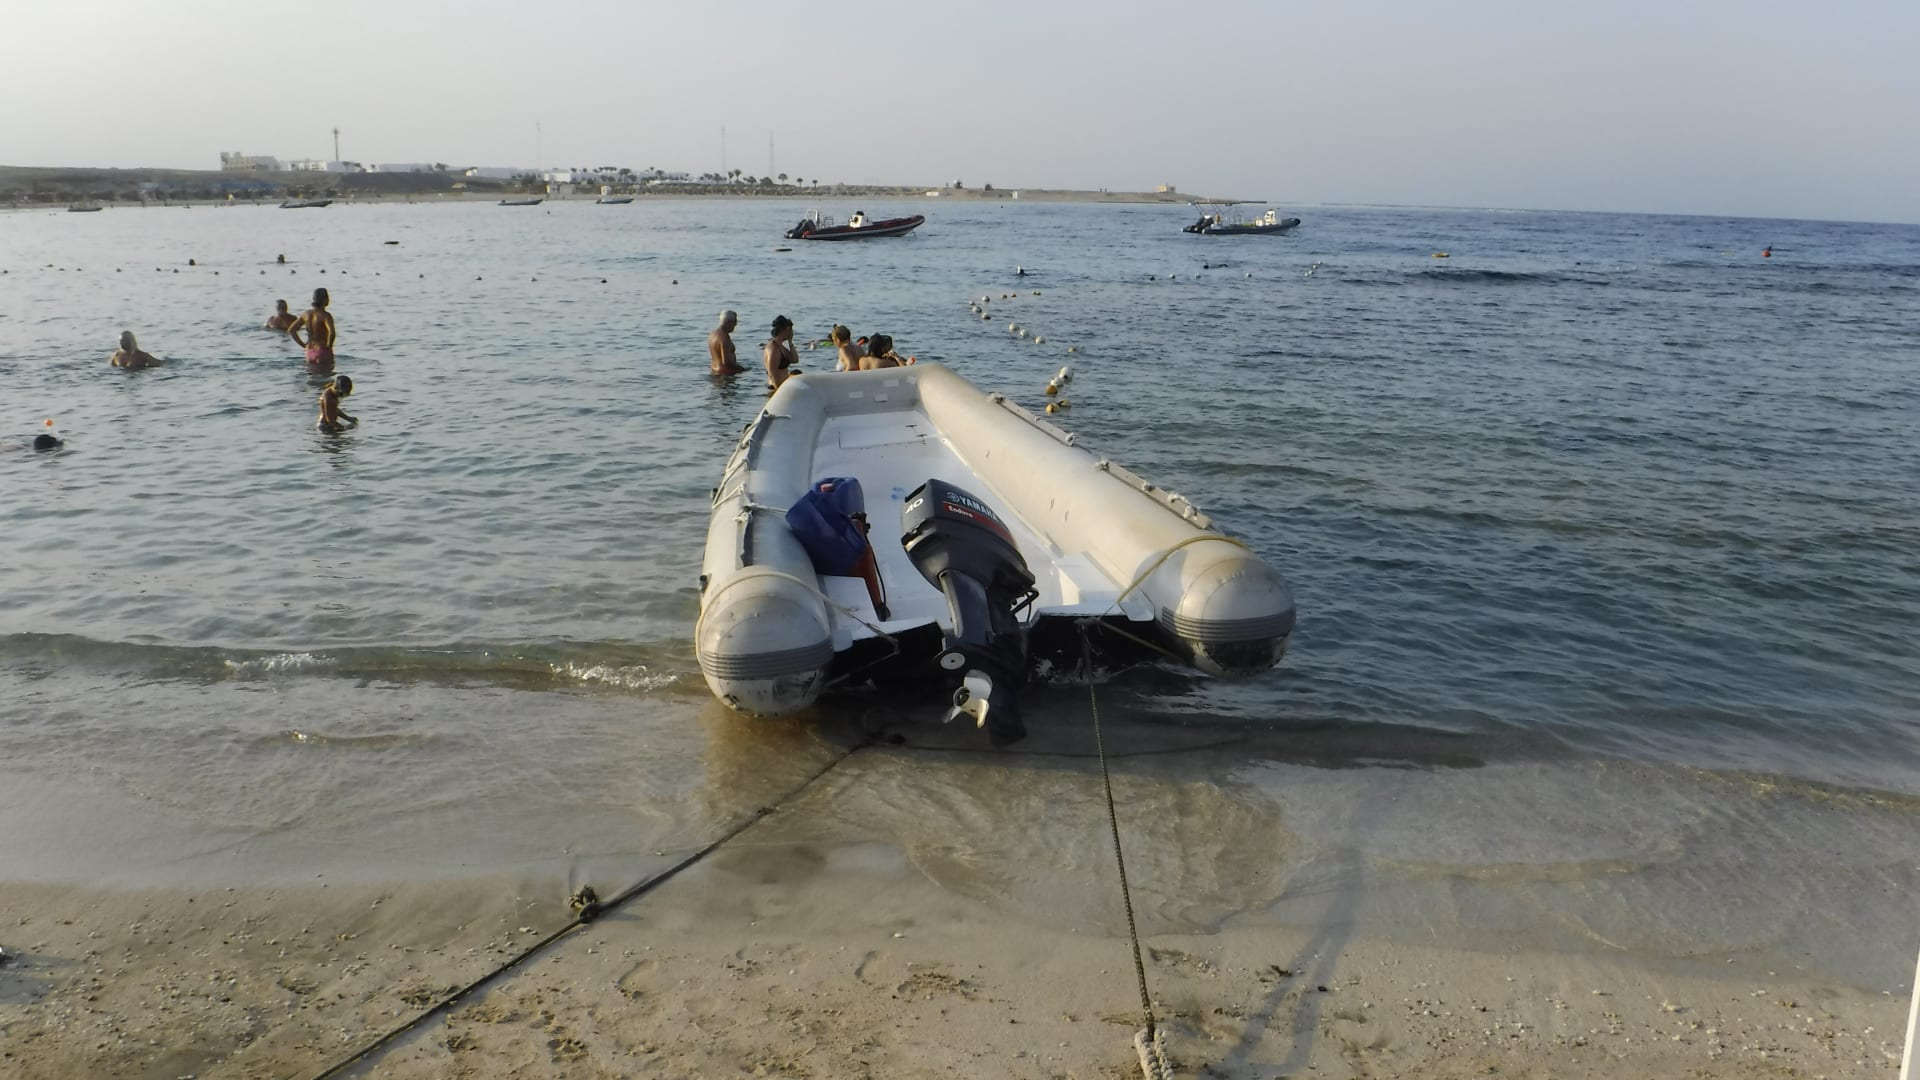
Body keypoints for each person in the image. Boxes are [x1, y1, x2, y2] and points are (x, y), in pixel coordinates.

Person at [288, 287, 336, 367]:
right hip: (322, 350)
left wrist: (302, 344)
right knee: (327, 373)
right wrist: (329, 347)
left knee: (311, 373)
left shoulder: (306, 314)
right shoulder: (325, 315)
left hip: (309, 351)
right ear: (325, 299)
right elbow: (332, 333)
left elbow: (292, 330)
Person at [764, 315, 799, 391]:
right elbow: (772, 374)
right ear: (785, 329)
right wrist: (778, 390)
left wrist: (790, 342)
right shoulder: (773, 349)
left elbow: (795, 360)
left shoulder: (781, 346)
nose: (791, 332)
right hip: (776, 388)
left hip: (783, 387)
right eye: (790, 330)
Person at [709, 310, 743, 375]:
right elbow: (726, 362)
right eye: (735, 322)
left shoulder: (713, 334)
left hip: (714, 370)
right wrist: (741, 369)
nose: (736, 324)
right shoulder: (724, 338)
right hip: (725, 374)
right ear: (728, 322)